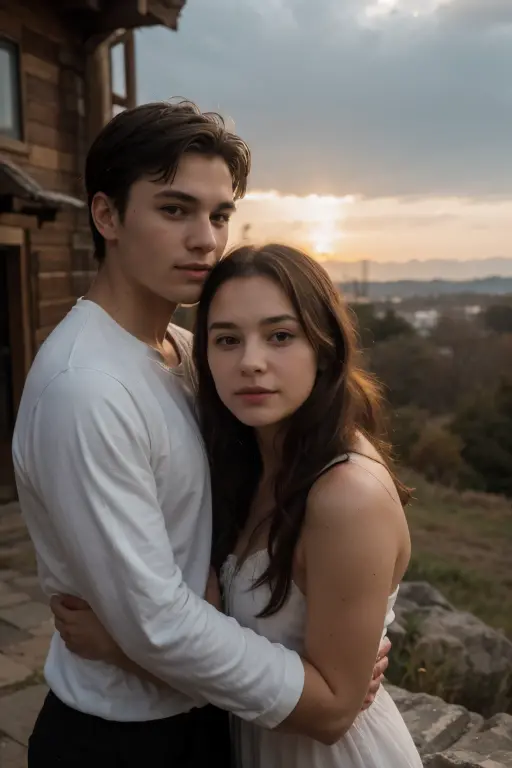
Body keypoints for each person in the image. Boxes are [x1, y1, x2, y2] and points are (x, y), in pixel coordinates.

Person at [12, 101, 388, 768]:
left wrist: (337, 642)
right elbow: (158, 622)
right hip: (125, 738)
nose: (206, 241)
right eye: (175, 209)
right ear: (107, 216)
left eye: (219, 215)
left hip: (208, 716)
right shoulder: (86, 389)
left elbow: (302, 461)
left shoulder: (187, 352)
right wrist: (320, 694)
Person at [51, 243, 423, 767]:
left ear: (325, 346)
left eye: (280, 336)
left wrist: (124, 648)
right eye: (227, 339)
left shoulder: (347, 496)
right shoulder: (246, 460)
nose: (251, 362)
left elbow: (332, 713)